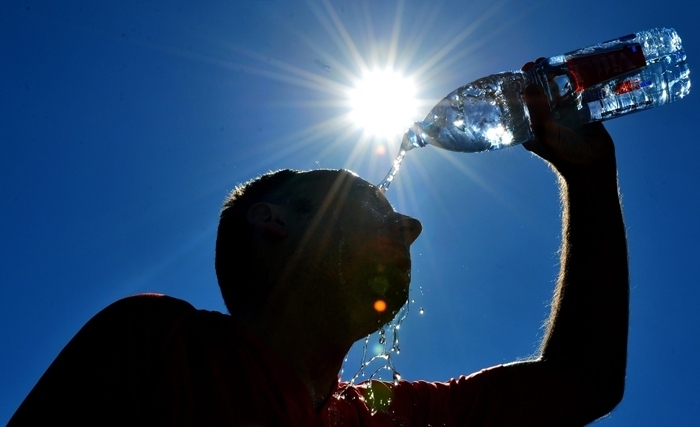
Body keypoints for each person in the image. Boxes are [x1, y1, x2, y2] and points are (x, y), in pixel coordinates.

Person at [9, 67, 629, 426]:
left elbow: (581, 382)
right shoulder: (159, 344)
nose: (411, 228)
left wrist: (591, 179)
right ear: (272, 222)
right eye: (369, 204)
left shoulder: (378, 416)